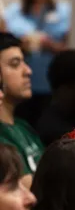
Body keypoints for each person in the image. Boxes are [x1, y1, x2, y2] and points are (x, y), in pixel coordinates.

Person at [4, 0, 71, 127]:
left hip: (52, 84)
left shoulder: (64, 11)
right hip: (22, 86)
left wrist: (51, 46)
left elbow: (72, 48)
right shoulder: (13, 12)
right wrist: (21, 45)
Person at [0, 32, 43, 185]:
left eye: (24, 62)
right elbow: (26, 188)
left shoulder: (24, 127)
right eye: (15, 64)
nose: (28, 71)